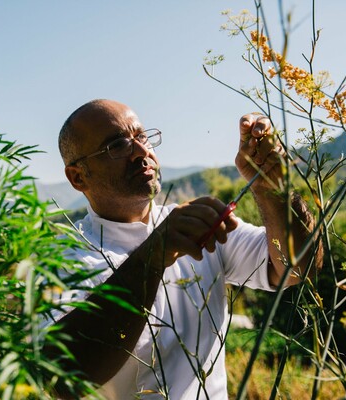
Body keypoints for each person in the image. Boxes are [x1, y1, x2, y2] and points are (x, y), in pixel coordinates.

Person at [46, 99, 321, 399]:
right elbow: (62, 378)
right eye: (117, 146)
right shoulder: (65, 259)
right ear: (78, 177)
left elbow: (298, 267)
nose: (141, 152)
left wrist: (273, 187)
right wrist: (153, 256)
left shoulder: (194, 224)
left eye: (141, 137)